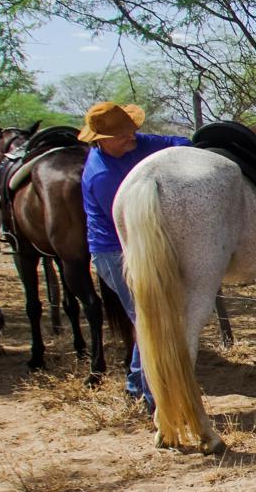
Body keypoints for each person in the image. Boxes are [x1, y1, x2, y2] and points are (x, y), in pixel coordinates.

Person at [81, 102, 189, 408]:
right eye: (122, 135)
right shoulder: (101, 176)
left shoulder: (136, 143)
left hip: (140, 246)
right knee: (147, 319)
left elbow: (178, 142)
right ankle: (153, 398)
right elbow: (127, 224)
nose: (132, 137)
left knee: (147, 317)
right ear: (102, 140)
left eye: (132, 130)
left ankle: (135, 387)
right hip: (116, 252)